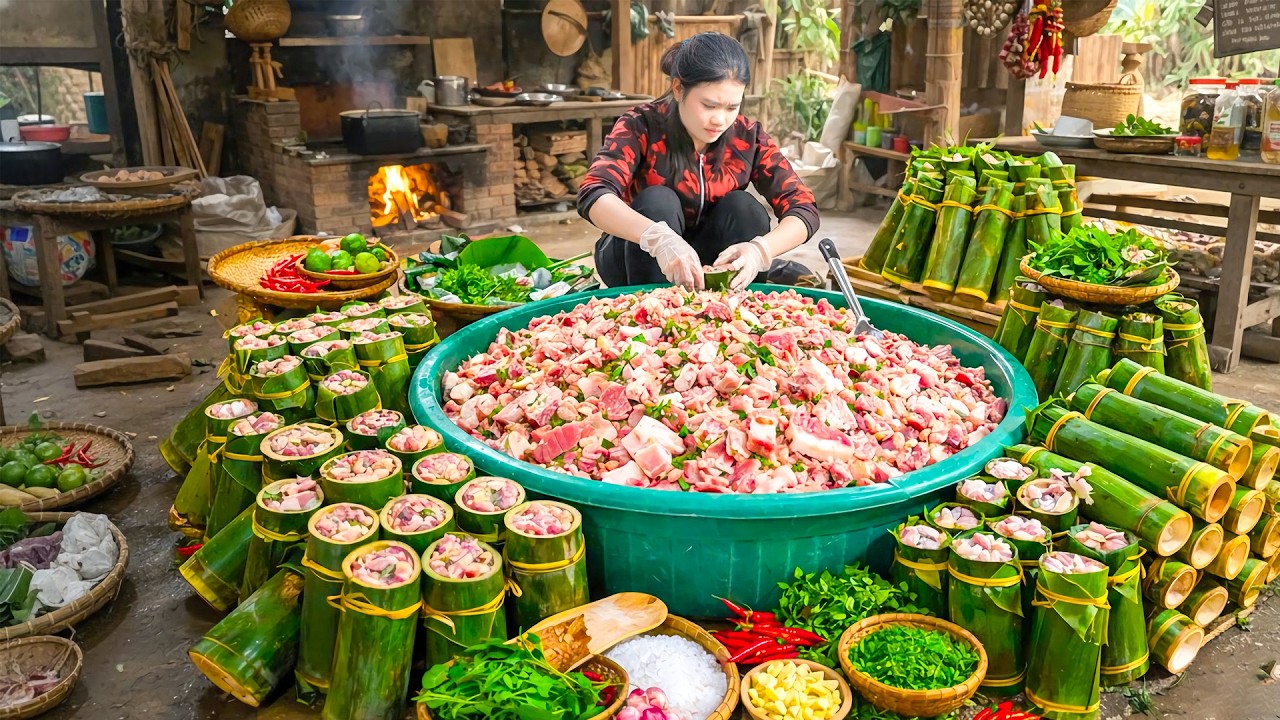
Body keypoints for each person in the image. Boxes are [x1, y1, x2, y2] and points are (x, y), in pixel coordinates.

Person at [577, 31, 819, 290]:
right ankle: (652, 312)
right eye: (709, 105)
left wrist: (761, 250)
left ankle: (736, 313)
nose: (720, 120)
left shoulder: (747, 136)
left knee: (745, 208)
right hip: (634, 257)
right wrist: (658, 239)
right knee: (658, 200)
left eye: (731, 107)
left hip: (708, 260)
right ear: (679, 88)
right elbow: (594, 193)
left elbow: (803, 208)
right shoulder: (640, 125)